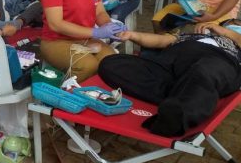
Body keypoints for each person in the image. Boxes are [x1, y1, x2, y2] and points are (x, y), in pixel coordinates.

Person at [101, 20, 241, 137]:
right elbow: (160, 41)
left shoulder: (234, 45)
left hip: (216, 61)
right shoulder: (191, 36)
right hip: (168, 65)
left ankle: (177, 118)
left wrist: (227, 32)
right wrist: (132, 35)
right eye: (233, 23)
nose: (235, 25)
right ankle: (182, 96)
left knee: (203, 72)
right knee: (111, 63)